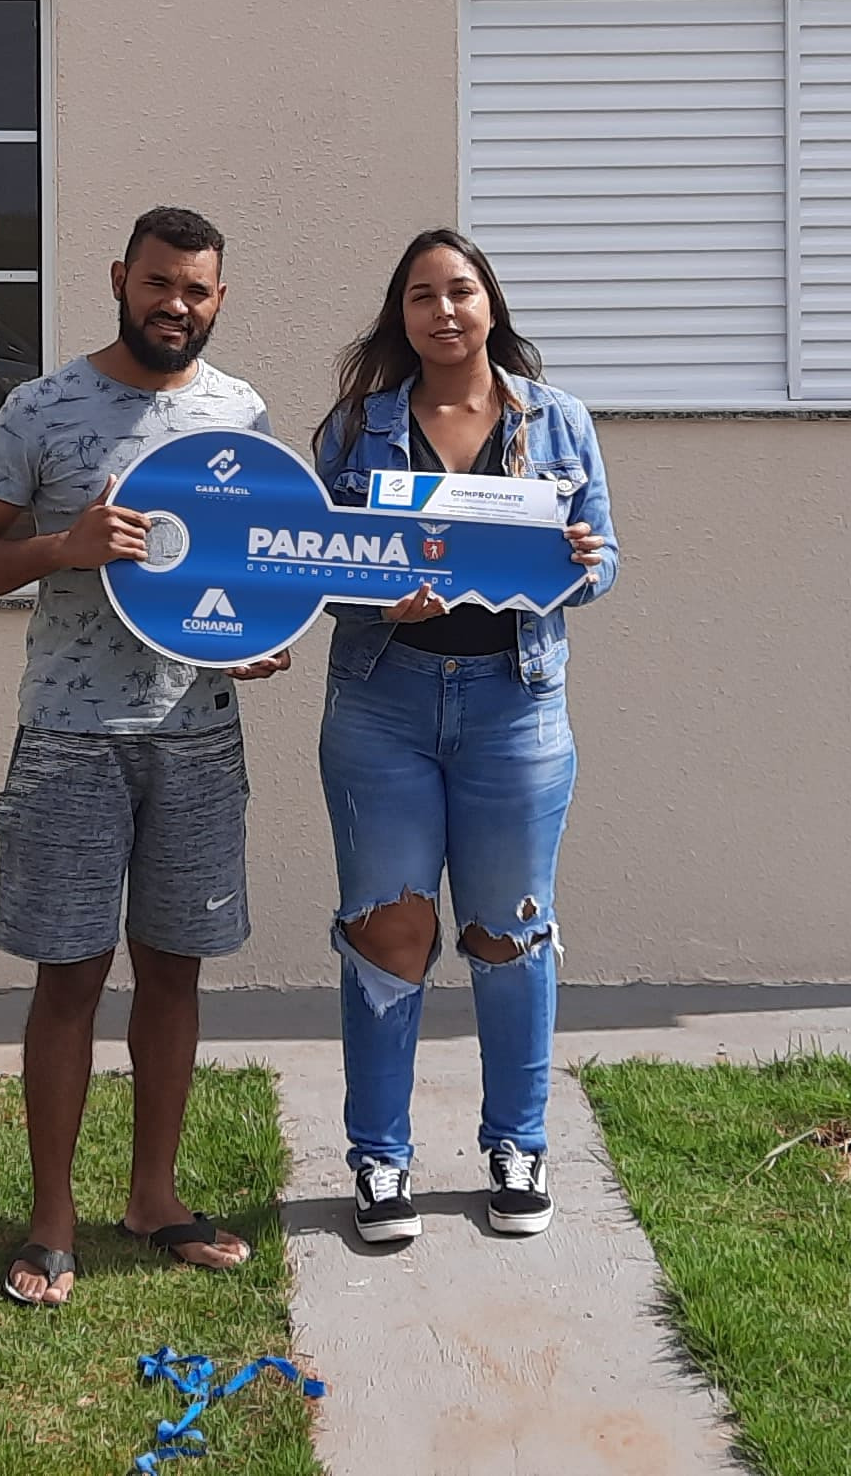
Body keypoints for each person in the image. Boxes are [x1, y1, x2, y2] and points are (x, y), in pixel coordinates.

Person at [0, 205, 291, 1307]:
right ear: (118, 281)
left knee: (175, 971)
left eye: (195, 289)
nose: (173, 305)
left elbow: (243, 573)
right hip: (72, 738)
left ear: (218, 298)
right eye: (156, 284)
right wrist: (62, 548)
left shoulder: (240, 412)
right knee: (70, 978)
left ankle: (152, 1197)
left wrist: (251, 644)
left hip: (196, 738)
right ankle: (50, 1222)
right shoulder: (40, 408)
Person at [308, 228, 614, 1243]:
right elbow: (313, 563)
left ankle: (516, 1145)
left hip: (514, 703)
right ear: (400, 316)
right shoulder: (357, 427)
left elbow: (602, 560)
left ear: (491, 304)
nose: (443, 311)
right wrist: (372, 599)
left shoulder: (557, 419)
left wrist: (578, 556)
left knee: (507, 928)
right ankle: (380, 1162)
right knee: (385, 930)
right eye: (420, 296)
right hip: (382, 703)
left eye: (460, 291)